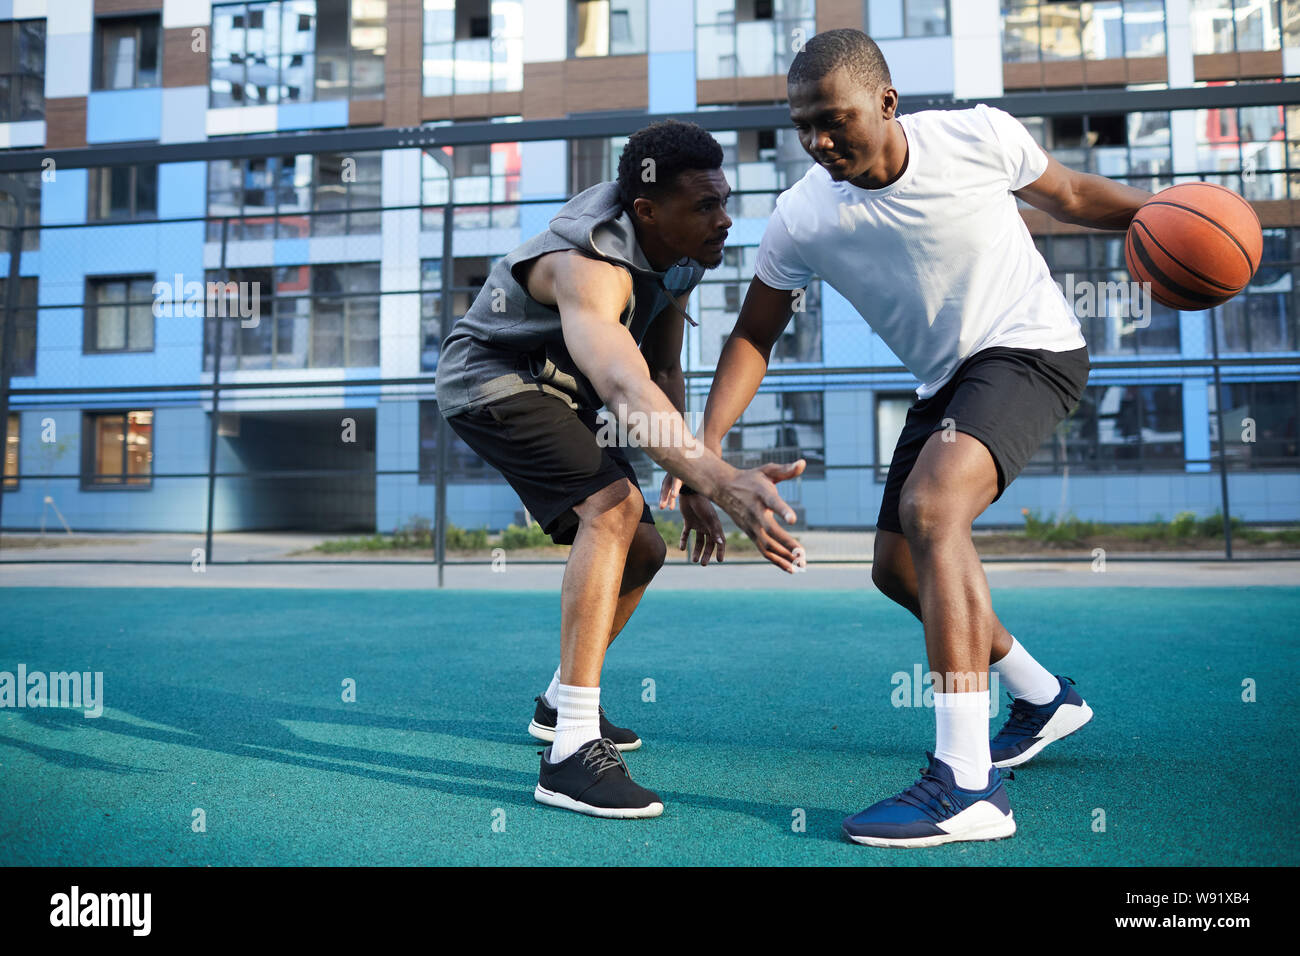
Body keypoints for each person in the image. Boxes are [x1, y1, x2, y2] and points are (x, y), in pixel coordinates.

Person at [671, 29, 1151, 846]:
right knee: (897, 570)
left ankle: (968, 785)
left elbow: (1069, 196)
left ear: (887, 104)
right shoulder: (803, 216)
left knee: (933, 512)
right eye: (803, 128)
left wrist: (1172, 216)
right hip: (945, 382)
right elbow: (753, 333)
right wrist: (706, 453)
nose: (819, 142)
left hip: (1030, 345)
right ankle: (1043, 698)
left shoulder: (978, 136)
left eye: (834, 120)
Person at [435, 120, 807, 819]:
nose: (725, 219)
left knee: (643, 545)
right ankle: (570, 754)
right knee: (613, 506)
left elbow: (662, 367)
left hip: (563, 390)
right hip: (492, 380)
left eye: (724, 201)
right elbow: (624, 389)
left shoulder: (682, 257)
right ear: (646, 211)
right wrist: (720, 480)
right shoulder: (589, 264)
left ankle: (558, 701)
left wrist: (694, 472)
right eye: (704, 206)